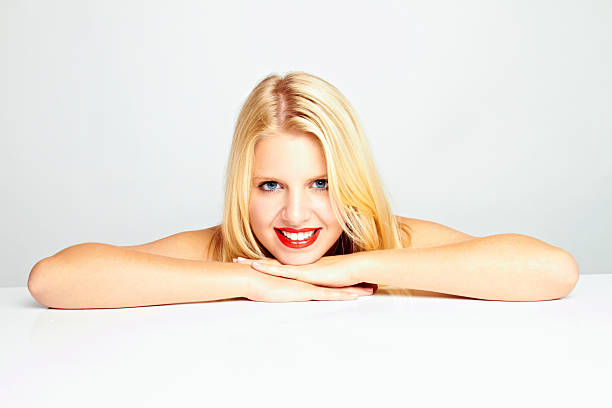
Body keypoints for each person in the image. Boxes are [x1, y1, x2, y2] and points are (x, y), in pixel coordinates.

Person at [27, 72, 579, 309]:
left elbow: (551, 271)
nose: (296, 212)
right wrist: (251, 282)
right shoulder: (218, 250)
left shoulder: (395, 240)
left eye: (321, 183)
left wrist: (348, 269)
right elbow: (53, 279)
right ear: (242, 187)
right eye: (271, 185)